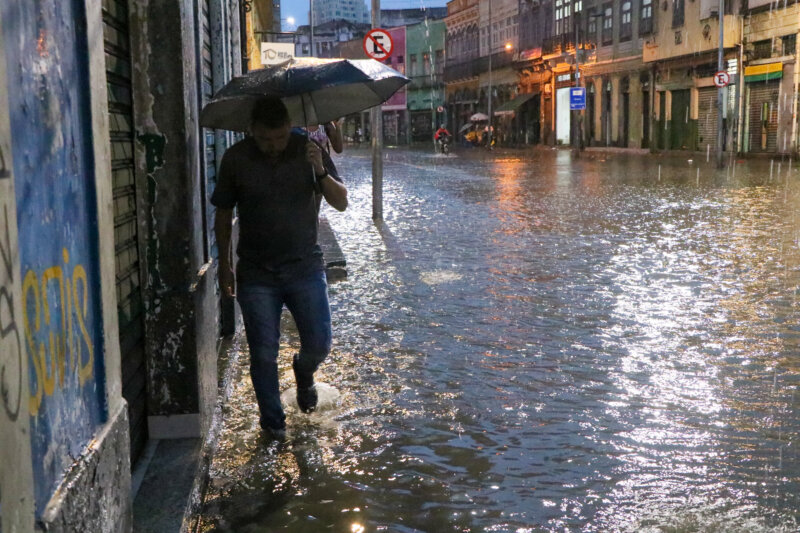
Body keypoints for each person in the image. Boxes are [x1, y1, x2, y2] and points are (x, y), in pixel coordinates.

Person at [211, 96, 348, 439]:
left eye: (280, 138)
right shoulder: (236, 158)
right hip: (257, 272)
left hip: (305, 267)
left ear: (290, 128)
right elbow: (223, 213)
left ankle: (304, 373)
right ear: (252, 132)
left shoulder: (309, 149)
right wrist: (225, 266)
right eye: (265, 140)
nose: (274, 147)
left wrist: (319, 169)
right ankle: (273, 427)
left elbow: (341, 202)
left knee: (319, 344)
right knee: (262, 353)